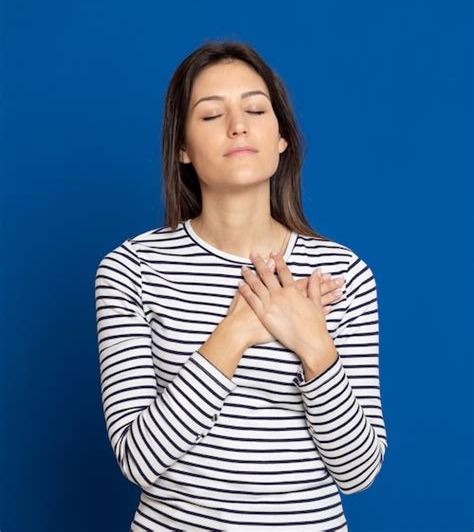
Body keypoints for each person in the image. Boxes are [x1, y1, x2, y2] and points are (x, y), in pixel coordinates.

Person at [94, 40, 388, 532]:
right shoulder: (132, 269)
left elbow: (358, 471)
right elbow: (137, 460)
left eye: (255, 108)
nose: (238, 126)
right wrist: (235, 331)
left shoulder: (342, 273)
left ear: (281, 138)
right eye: (211, 116)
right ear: (182, 148)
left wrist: (314, 345)